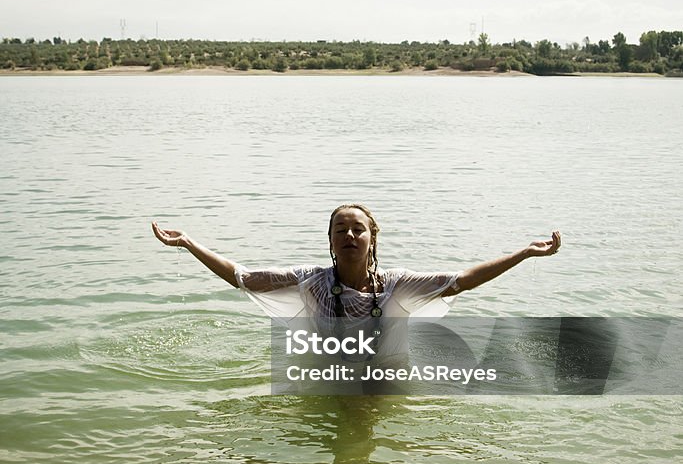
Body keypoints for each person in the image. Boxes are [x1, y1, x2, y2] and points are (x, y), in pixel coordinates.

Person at [151, 203, 561, 323]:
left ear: (372, 238)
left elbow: (462, 280)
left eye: (357, 230)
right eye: (340, 230)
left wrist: (523, 253)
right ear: (330, 241)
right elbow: (242, 276)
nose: (349, 235)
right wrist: (188, 242)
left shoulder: (396, 284)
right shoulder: (309, 281)